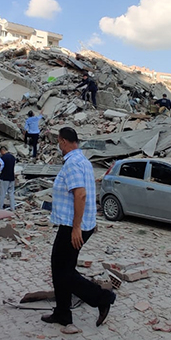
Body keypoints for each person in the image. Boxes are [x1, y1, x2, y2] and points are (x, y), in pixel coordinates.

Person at [42, 127, 115, 328]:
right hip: (79, 224)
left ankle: (102, 298)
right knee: (62, 269)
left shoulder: (73, 163)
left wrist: (76, 228)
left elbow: (80, 195)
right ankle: (63, 313)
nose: (59, 146)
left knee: (62, 271)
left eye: (59, 142)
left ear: (64, 141)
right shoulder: (82, 160)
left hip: (73, 226)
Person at [0, 146, 17, 211]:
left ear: (2, 151)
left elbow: (0, 167)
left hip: (4, 177)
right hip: (12, 177)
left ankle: (0, 208)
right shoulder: (13, 157)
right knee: (11, 194)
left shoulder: (3, 158)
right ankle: (12, 208)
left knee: (2, 194)